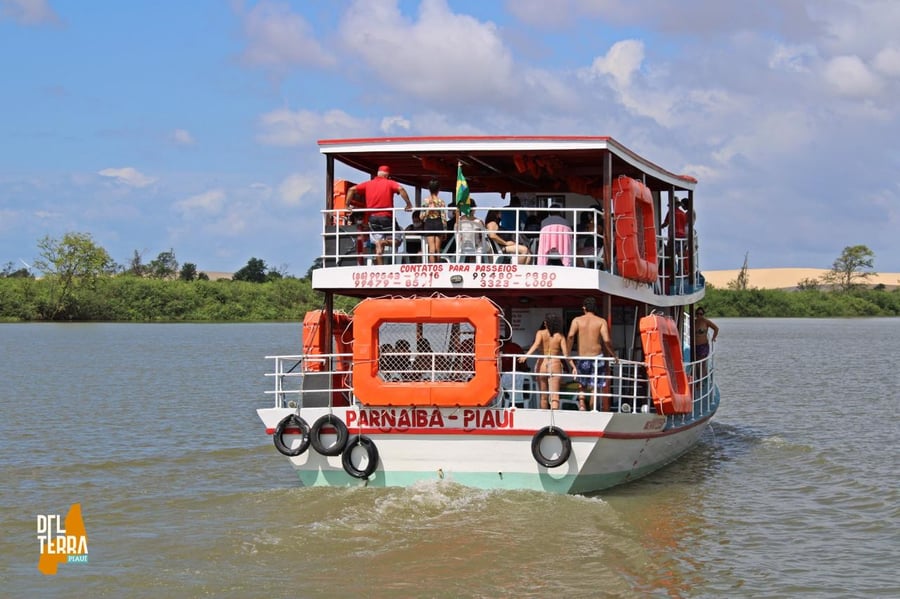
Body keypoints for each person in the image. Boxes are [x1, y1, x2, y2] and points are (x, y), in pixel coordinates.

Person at [346, 165, 413, 265]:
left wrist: (347, 205)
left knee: (377, 243)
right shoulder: (389, 183)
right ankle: (383, 243)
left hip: (372, 218)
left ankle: (380, 266)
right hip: (386, 217)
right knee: (397, 240)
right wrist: (408, 204)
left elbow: (351, 189)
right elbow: (401, 189)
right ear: (387, 175)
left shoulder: (368, 184)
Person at [567, 297, 618, 411]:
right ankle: (593, 407)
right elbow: (606, 341)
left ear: (584, 307)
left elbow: (570, 336)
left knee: (581, 383)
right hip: (597, 357)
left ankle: (581, 404)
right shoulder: (601, 321)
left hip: (583, 356)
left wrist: (568, 352)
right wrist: (613, 355)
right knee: (595, 386)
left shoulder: (577, 320)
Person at [518, 313, 575, 410]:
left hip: (542, 364)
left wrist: (526, 356)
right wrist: (573, 366)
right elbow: (566, 354)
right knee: (555, 397)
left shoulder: (540, 333)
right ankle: (555, 421)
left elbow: (536, 345)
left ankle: (544, 420)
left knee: (543, 397)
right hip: (555, 364)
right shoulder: (560, 336)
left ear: (545, 323)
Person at [422, 179, 447, 262]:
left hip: (429, 223)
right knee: (437, 249)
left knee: (432, 249)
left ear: (429, 189)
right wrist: (445, 231)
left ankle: (432, 268)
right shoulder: (441, 202)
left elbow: (421, 217)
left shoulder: (425, 201)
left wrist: (428, 211)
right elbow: (443, 217)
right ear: (439, 189)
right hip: (438, 222)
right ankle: (438, 267)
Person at [693, 307, 719, 383]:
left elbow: (716, 328)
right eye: (697, 314)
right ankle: (700, 379)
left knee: (702, 364)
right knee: (697, 364)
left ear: (703, 314)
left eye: (701, 314)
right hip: (695, 346)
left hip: (703, 346)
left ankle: (700, 382)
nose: (699, 316)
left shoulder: (706, 322)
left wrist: (713, 338)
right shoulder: (694, 322)